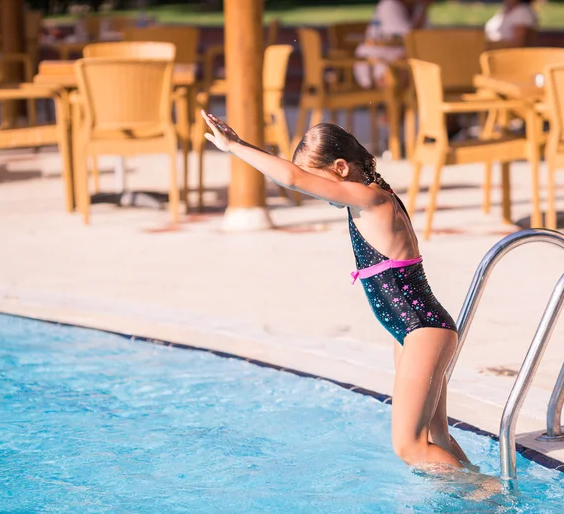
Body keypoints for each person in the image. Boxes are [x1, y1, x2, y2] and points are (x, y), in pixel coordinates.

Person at [202, 111, 474, 471]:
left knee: (409, 447)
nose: (316, 192)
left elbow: (291, 177)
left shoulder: (371, 200)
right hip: (413, 331)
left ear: (342, 168)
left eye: (320, 182)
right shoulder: (372, 197)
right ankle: (487, 497)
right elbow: (294, 172)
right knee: (433, 439)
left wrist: (236, 148)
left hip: (424, 329)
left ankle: (491, 500)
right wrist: (243, 143)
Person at [354, 0, 433, 89]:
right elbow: (408, 37)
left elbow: (425, 36)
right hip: (379, 57)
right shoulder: (389, 5)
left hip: (399, 54)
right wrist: (425, 9)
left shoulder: (417, 6)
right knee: (406, 59)